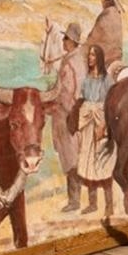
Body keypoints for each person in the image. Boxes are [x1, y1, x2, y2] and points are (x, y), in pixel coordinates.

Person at [74, 44, 115, 216]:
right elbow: (82, 100)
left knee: (102, 163)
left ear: (98, 57)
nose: (89, 58)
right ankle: (92, 203)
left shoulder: (107, 80)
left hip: (101, 123)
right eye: (89, 55)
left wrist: (103, 125)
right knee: (88, 164)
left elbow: (111, 105)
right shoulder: (86, 80)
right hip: (87, 125)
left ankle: (109, 205)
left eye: (92, 55)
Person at [53, 22, 87, 212]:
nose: (63, 41)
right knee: (71, 157)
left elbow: (69, 92)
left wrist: (57, 105)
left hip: (68, 116)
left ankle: (74, 201)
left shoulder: (72, 63)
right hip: (70, 114)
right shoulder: (75, 60)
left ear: (72, 41)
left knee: (71, 158)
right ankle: (75, 199)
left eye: (65, 38)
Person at [84, 0, 124, 71]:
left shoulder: (105, 16)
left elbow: (92, 39)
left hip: (106, 60)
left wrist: (83, 47)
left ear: (104, 0)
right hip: (118, 59)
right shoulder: (117, 15)